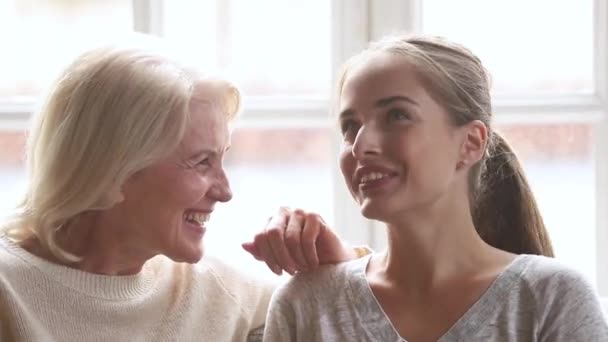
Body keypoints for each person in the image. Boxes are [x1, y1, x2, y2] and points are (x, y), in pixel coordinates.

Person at [0, 37, 362, 342]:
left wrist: (337, 265)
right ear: (113, 165)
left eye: (223, 160)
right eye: (202, 162)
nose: (225, 191)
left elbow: (378, 319)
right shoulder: (9, 286)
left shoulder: (219, 292)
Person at [261, 34, 608, 341]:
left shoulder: (551, 299)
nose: (360, 145)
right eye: (350, 126)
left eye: (397, 115)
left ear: (470, 142)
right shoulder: (305, 305)